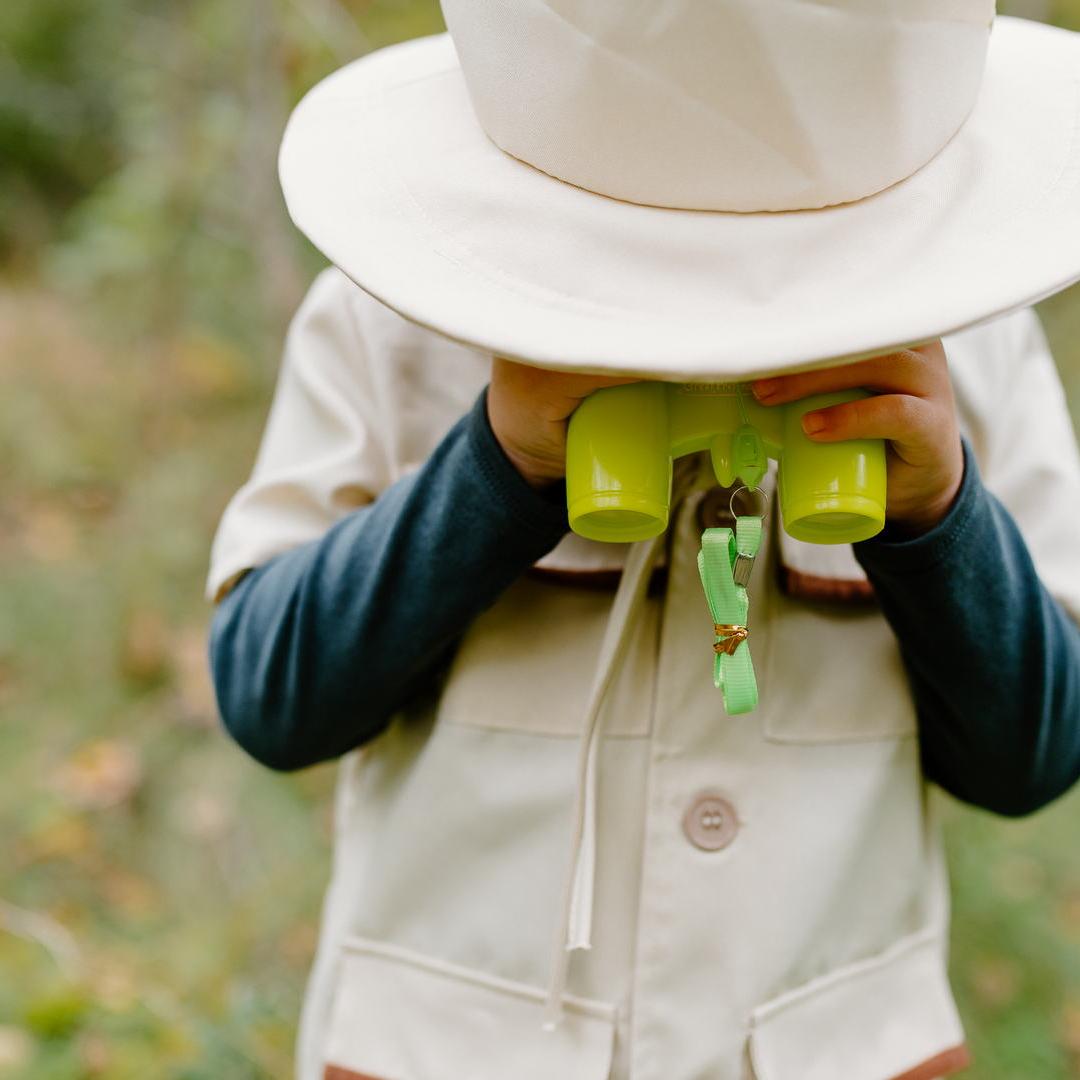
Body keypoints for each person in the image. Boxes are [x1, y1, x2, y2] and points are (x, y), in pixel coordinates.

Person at [206, 4, 1080, 1078]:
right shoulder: (398, 312)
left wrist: (936, 519)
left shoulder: (966, 336)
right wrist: (495, 465)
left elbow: (1035, 756)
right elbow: (270, 696)